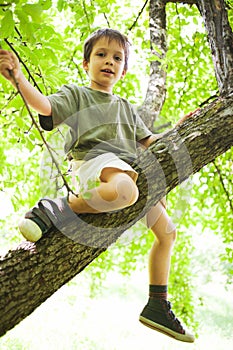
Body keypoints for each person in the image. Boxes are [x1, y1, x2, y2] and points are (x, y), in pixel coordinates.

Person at [0, 28, 195, 343]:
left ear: (124, 70)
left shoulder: (126, 109)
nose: (109, 62)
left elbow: (151, 142)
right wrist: (18, 81)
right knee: (126, 190)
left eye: (117, 58)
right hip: (92, 166)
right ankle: (58, 207)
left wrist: (183, 129)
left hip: (123, 172)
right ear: (85, 63)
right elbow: (46, 107)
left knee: (167, 232)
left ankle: (157, 303)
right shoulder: (78, 95)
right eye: (101, 55)